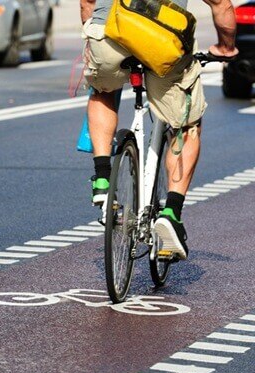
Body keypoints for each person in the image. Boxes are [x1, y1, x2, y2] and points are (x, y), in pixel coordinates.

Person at [81, 0, 237, 260]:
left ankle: (102, 178)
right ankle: (171, 213)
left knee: (102, 91)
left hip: (109, 31)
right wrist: (225, 47)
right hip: (161, 38)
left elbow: (87, 2)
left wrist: (93, 33)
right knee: (186, 124)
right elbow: (222, 5)